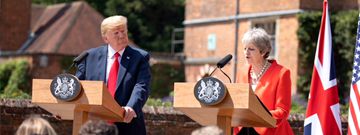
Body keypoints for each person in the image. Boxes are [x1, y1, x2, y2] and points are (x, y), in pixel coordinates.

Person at [75, 15, 151, 135]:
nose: (121, 35)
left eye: (123, 31)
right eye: (116, 33)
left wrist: (131, 107)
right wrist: (64, 105)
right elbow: (76, 86)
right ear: (105, 38)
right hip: (94, 127)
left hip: (127, 124)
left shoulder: (140, 58)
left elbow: (141, 86)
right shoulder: (89, 57)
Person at [233, 28, 293, 135]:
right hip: (243, 131)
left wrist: (257, 117)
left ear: (263, 52)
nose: (246, 52)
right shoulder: (242, 73)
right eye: (245, 48)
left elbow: (283, 111)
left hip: (272, 132)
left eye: (251, 49)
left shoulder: (282, 73)